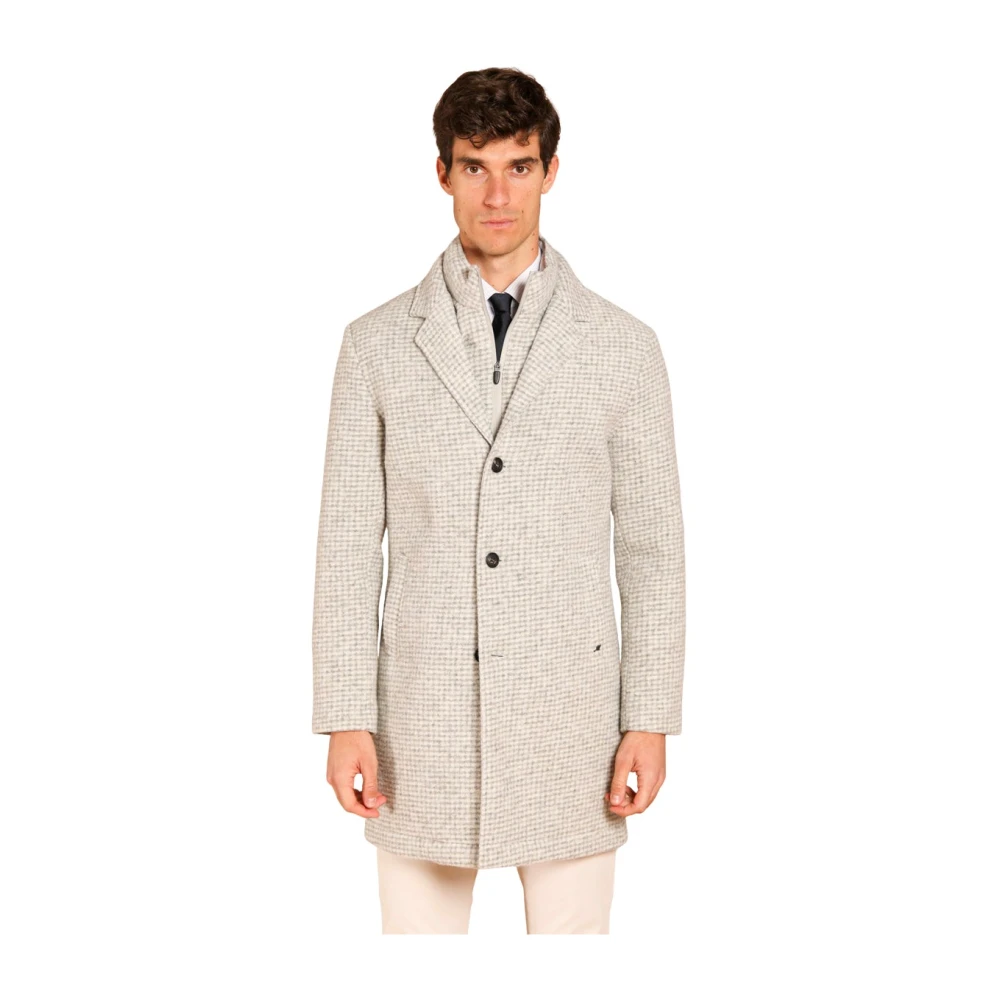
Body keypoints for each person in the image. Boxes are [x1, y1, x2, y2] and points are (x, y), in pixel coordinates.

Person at [312, 67, 686, 934]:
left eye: (519, 167)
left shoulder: (623, 347)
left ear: (551, 171)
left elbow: (653, 548)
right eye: (475, 167)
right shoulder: (375, 345)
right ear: (441, 172)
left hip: (572, 721)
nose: (497, 195)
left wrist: (649, 718)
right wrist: (345, 716)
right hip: (421, 723)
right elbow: (346, 543)